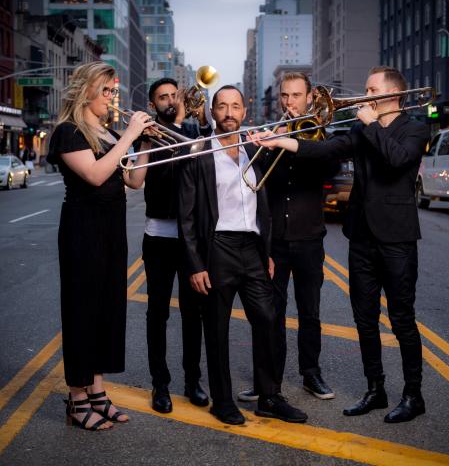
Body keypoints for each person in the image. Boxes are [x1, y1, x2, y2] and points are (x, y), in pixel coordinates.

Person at [250, 66, 430, 423]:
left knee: (401, 319)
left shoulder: (415, 128)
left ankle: (413, 395)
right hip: (361, 236)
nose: (362, 95)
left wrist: (373, 125)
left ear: (391, 95)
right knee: (365, 320)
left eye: (370, 89)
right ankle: (375, 389)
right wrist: (283, 141)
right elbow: (327, 151)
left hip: (396, 238)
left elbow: (397, 160)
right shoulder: (360, 128)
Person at [178, 85, 307, 426]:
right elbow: (186, 216)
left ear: (245, 111)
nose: (229, 112)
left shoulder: (253, 148)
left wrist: (265, 250)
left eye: (235, 106)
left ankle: (269, 396)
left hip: (251, 247)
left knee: (267, 318)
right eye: (222, 106)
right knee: (217, 328)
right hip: (217, 246)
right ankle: (222, 401)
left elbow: (261, 204)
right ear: (213, 112)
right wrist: (195, 264)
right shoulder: (199, 151)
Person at [47, 61, 154, 431]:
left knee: (108, 310)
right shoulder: (68, 132)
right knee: (82, 312)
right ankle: (77, 400)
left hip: (111, 229)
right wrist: (130, 135)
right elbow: (94, 175)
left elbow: (134, 180)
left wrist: (145, 143)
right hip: (82, 231)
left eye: (114, 91)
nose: (113, 98)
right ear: (86, 91)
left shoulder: (109, 133)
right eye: (107, 91)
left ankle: (97, 392)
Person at [238, 72, 336, 403]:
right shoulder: (272, 133)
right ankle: (269, 380)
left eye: (296, 95)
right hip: (275, 241)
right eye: (284, 96)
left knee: (310, 311)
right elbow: (255, 179)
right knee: (271, 313)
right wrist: (265, 145)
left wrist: (291, 140)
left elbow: (329, 165)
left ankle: (311, 374)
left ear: (310, 98)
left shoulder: (322, 138)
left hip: (309, 238)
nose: (289, 102)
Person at [132, 78, 211, 414]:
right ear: (153, 104)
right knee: (158, 313)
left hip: (192, 238)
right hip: (159, 236)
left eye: (172, 95)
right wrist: (145, 141)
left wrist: (204, 118)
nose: (168, 100)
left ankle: (193, 380)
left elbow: (212, 156)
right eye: (161, 97)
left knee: (194, 314)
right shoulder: (146, 135)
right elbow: (136, 181)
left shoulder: (193, 131)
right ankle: (160, 384)